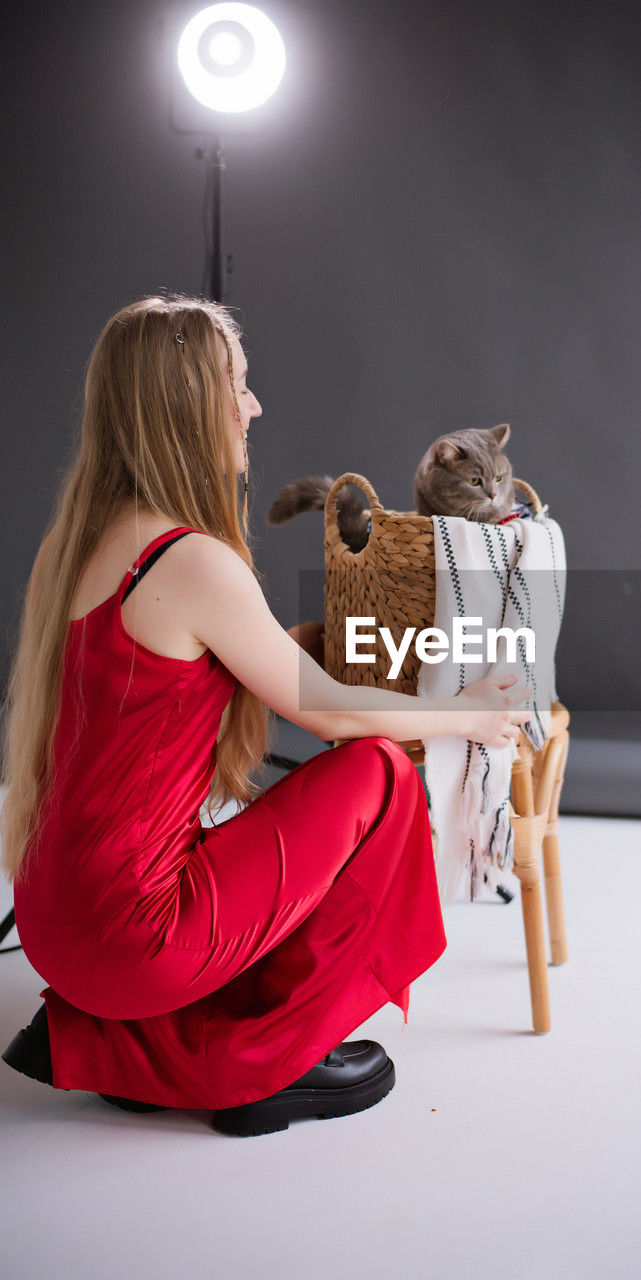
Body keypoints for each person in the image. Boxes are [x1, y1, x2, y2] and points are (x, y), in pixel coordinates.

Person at [0, 294, 531, 1137]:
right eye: (237, 386)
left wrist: (289, 645)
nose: (254, 406)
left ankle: (121, 1041)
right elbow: (337, 722)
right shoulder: (193, 559)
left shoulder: (83, 544)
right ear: (184, 406)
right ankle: (272, 1058)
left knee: (315, 794)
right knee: (384, 776)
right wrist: (463, 716)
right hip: (134, 935)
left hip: (54, 920)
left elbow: (163, 686)